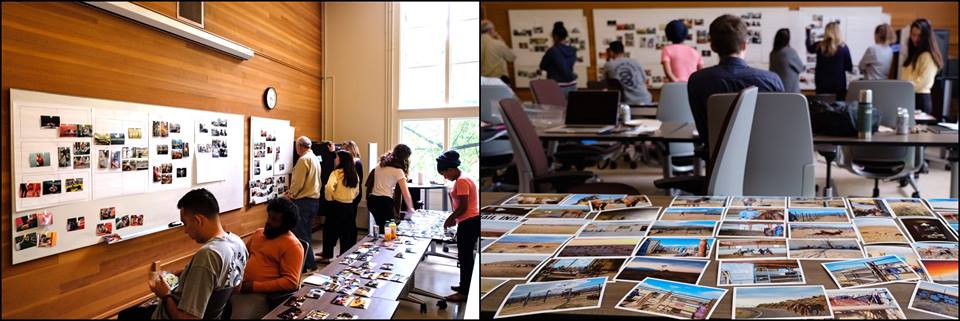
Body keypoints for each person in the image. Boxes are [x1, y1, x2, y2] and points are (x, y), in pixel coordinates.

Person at [118, 188, 248, 320]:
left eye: (185, 223)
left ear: (198, 220)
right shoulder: (238, 243)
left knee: (125, 315)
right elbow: (236, 288)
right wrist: (189, 273)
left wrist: (165, 295)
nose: (185, 230)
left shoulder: (208, 255)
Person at [687, 14, 784, 147]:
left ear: (713, 47)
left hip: (717, 160)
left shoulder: (697, 81)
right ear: (744, 45)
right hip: (762, 157)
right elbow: (778, 127)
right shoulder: (771, 80)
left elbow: (703, 130)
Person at [229, 197, 304, 319]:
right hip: (238, 285)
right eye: (269, 217)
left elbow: (291, 282)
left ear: (285, 224)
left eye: (274, 220)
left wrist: (252, 286)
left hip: (261, 294)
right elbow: (242, 258)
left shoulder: (292, 246)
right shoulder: (259, 233)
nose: (269, 222)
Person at [436, 151, 480, 303]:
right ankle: (464, 286)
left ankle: (464, 292)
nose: (444, 177)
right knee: (465, 257)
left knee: (465, 258)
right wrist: (456, 218)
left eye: (444, 173)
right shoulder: (464, 178)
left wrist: (451, 218)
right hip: (469, 220)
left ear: (451, 169)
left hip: (469, 222)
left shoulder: (461, 181)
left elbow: (463, 206)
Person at [285, 136, 321, 272]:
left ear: (299, 146)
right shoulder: (315, 159)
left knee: (300, 234)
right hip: (314, 201)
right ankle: (307, 263)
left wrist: (290, 194)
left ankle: (308, 264)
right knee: (306, 233)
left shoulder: (303, 160)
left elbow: (298, 182)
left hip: (303, 201)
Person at [319, 150, 360, 264]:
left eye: (337, 157)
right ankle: (344, 256)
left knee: (329, 231)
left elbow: (328, 187)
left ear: (341, 160)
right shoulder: (354, 173)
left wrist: (330, 198)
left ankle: (327, 255)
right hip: (349, 206)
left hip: (336, 205)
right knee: (346, 233)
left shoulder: (336, 173)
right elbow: (357, 191)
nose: (335, 159)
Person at [365, 144, 416, 233]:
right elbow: (405, 192)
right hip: (384, 202)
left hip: (372, 201)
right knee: (390, 231)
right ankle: (384, 245)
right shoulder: (398, 171)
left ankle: (379, 245)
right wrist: (410, 208)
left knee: (382, 229)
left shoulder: (381, 164)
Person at [900, 18, 943, 115]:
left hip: (920, 98)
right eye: (913, 35)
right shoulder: (914, 54)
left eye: (919, 36)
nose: (915, 39)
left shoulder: (927, 56)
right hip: (910, 96)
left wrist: (903, 89)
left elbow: (924, 81)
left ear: (925, 37)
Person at [806, 21, 853, 101]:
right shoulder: (844, 47)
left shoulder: (820, 46)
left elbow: (809, 48)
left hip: (822, 84)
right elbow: (849, 67)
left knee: (822, 108)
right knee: (839, 109)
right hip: (839, 84)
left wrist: (807, 32)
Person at [602, 41, 653, 105]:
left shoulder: (608, 65)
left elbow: (603, 84)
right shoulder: (635, 61)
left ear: (611, 52)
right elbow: (645, 81)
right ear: (623, 51)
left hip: (628, 103)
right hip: (645, 99)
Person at [539, 21, 578, 98]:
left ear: (555, 36)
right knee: (571, 109)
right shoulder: (573, 50)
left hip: (557, 86)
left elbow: (542, 66)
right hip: (572, 85)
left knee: (556, 109)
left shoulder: (552, 51)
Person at [481, 19, 516, 86]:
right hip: (497, 80)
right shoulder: (497, 43)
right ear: (490, 30)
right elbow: (512, 57)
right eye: (494, 29)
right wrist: (500, 39)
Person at [769, 28, 805, 93]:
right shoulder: (790, 52)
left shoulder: (772, 53)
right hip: (791, 90)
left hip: (777, 89)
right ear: (788, 39)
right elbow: (801, 68)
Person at [340, 140, 364, 224]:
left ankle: (350, 236)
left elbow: (358, 181)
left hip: (353, 194)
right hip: (351, 193)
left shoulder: (356, 163)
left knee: (350, 219)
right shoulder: (352, 163)